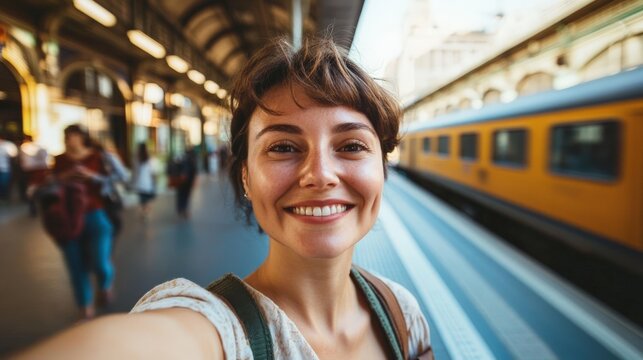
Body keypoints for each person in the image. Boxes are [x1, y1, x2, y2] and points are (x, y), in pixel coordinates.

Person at [17, 37, 431, 359]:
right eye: (283, 147)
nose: (320, 175)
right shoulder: (218, 330)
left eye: (352, 146)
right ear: (246, 178)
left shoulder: (402, 314)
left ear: (382, 167)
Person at [51, 125, 116, 319]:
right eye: (66, 136)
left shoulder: (97, 156)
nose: (68, 139)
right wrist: (63, 178)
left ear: (81, 137)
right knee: (75, 264)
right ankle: (84, 306)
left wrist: (91, 176)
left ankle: (105, 283)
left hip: (95, 213)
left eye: (71, 136)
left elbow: (114, 180)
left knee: (100, 261)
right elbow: (50, 184)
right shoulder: (60, 159)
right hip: (68, 217)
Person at [19, 135, 50, 215]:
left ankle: (35, 207)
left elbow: (25, 163)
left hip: (34, 172)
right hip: (38, 171)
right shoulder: (40, 147)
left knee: (33, 190)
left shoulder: (25, 148)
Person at [133, 142, 158, 220]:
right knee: (148, 200)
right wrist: (154, 181)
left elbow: (135, 172)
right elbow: (153, 172)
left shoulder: (137, 159)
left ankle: (144, 212)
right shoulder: (150, 159)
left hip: (139, 184)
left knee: (142, 200)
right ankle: (146, 213)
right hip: (148, 183)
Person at [175, 148, 197, 218]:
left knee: (180, 194)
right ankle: (183, 209)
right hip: (187, 181)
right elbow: (194, 170)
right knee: (185, 195)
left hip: (181, 181)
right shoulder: (191, 159)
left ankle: (180, 209)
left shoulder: (181, 158)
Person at [0, 135, 18, 202]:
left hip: (5, 168)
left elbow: (13, 156)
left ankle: (4, 197)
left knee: (4, 183)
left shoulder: (8, 145)